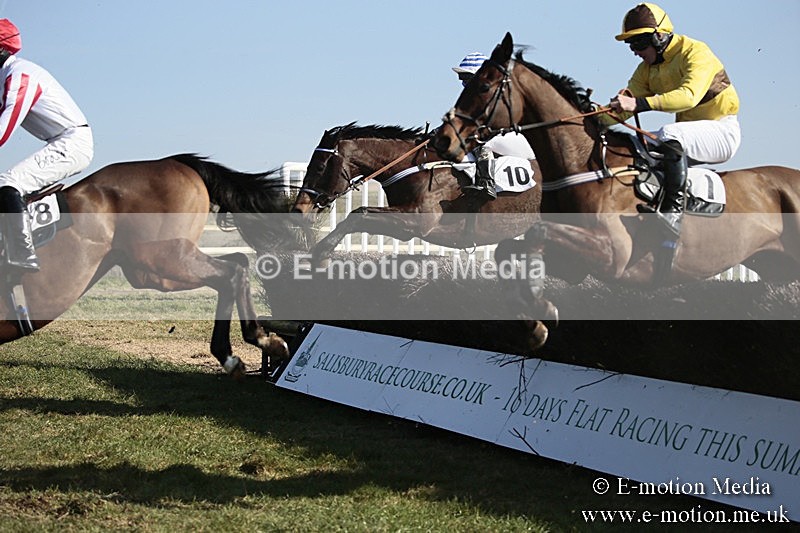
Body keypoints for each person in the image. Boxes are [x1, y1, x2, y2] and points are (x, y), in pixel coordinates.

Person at [606, 3, 740, 235]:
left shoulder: (696, 52)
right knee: (637, 144)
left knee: (669, 132)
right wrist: (589, 117)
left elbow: (688, 97)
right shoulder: (645, 70)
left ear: (659, 36)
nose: (634, 50)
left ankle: (673, 211)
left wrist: (638, 104)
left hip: (721, 132)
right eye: (630, 44)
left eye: (639, 42)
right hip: (687, 137)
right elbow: (624, 109)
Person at [0, 19, 93, 272]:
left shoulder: (20, 75)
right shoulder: (6, 75)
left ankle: (23, 254)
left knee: (8, 181)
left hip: (72, 142)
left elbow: (3, 129)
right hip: (63, 140)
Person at [452, 52, 535, 200]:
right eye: (462, 78)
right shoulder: (474, 99)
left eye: (467, 78)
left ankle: (486, 183)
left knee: (477, 140)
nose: (464, 82)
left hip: (519, 141)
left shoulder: (495, 96)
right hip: (504, 138)